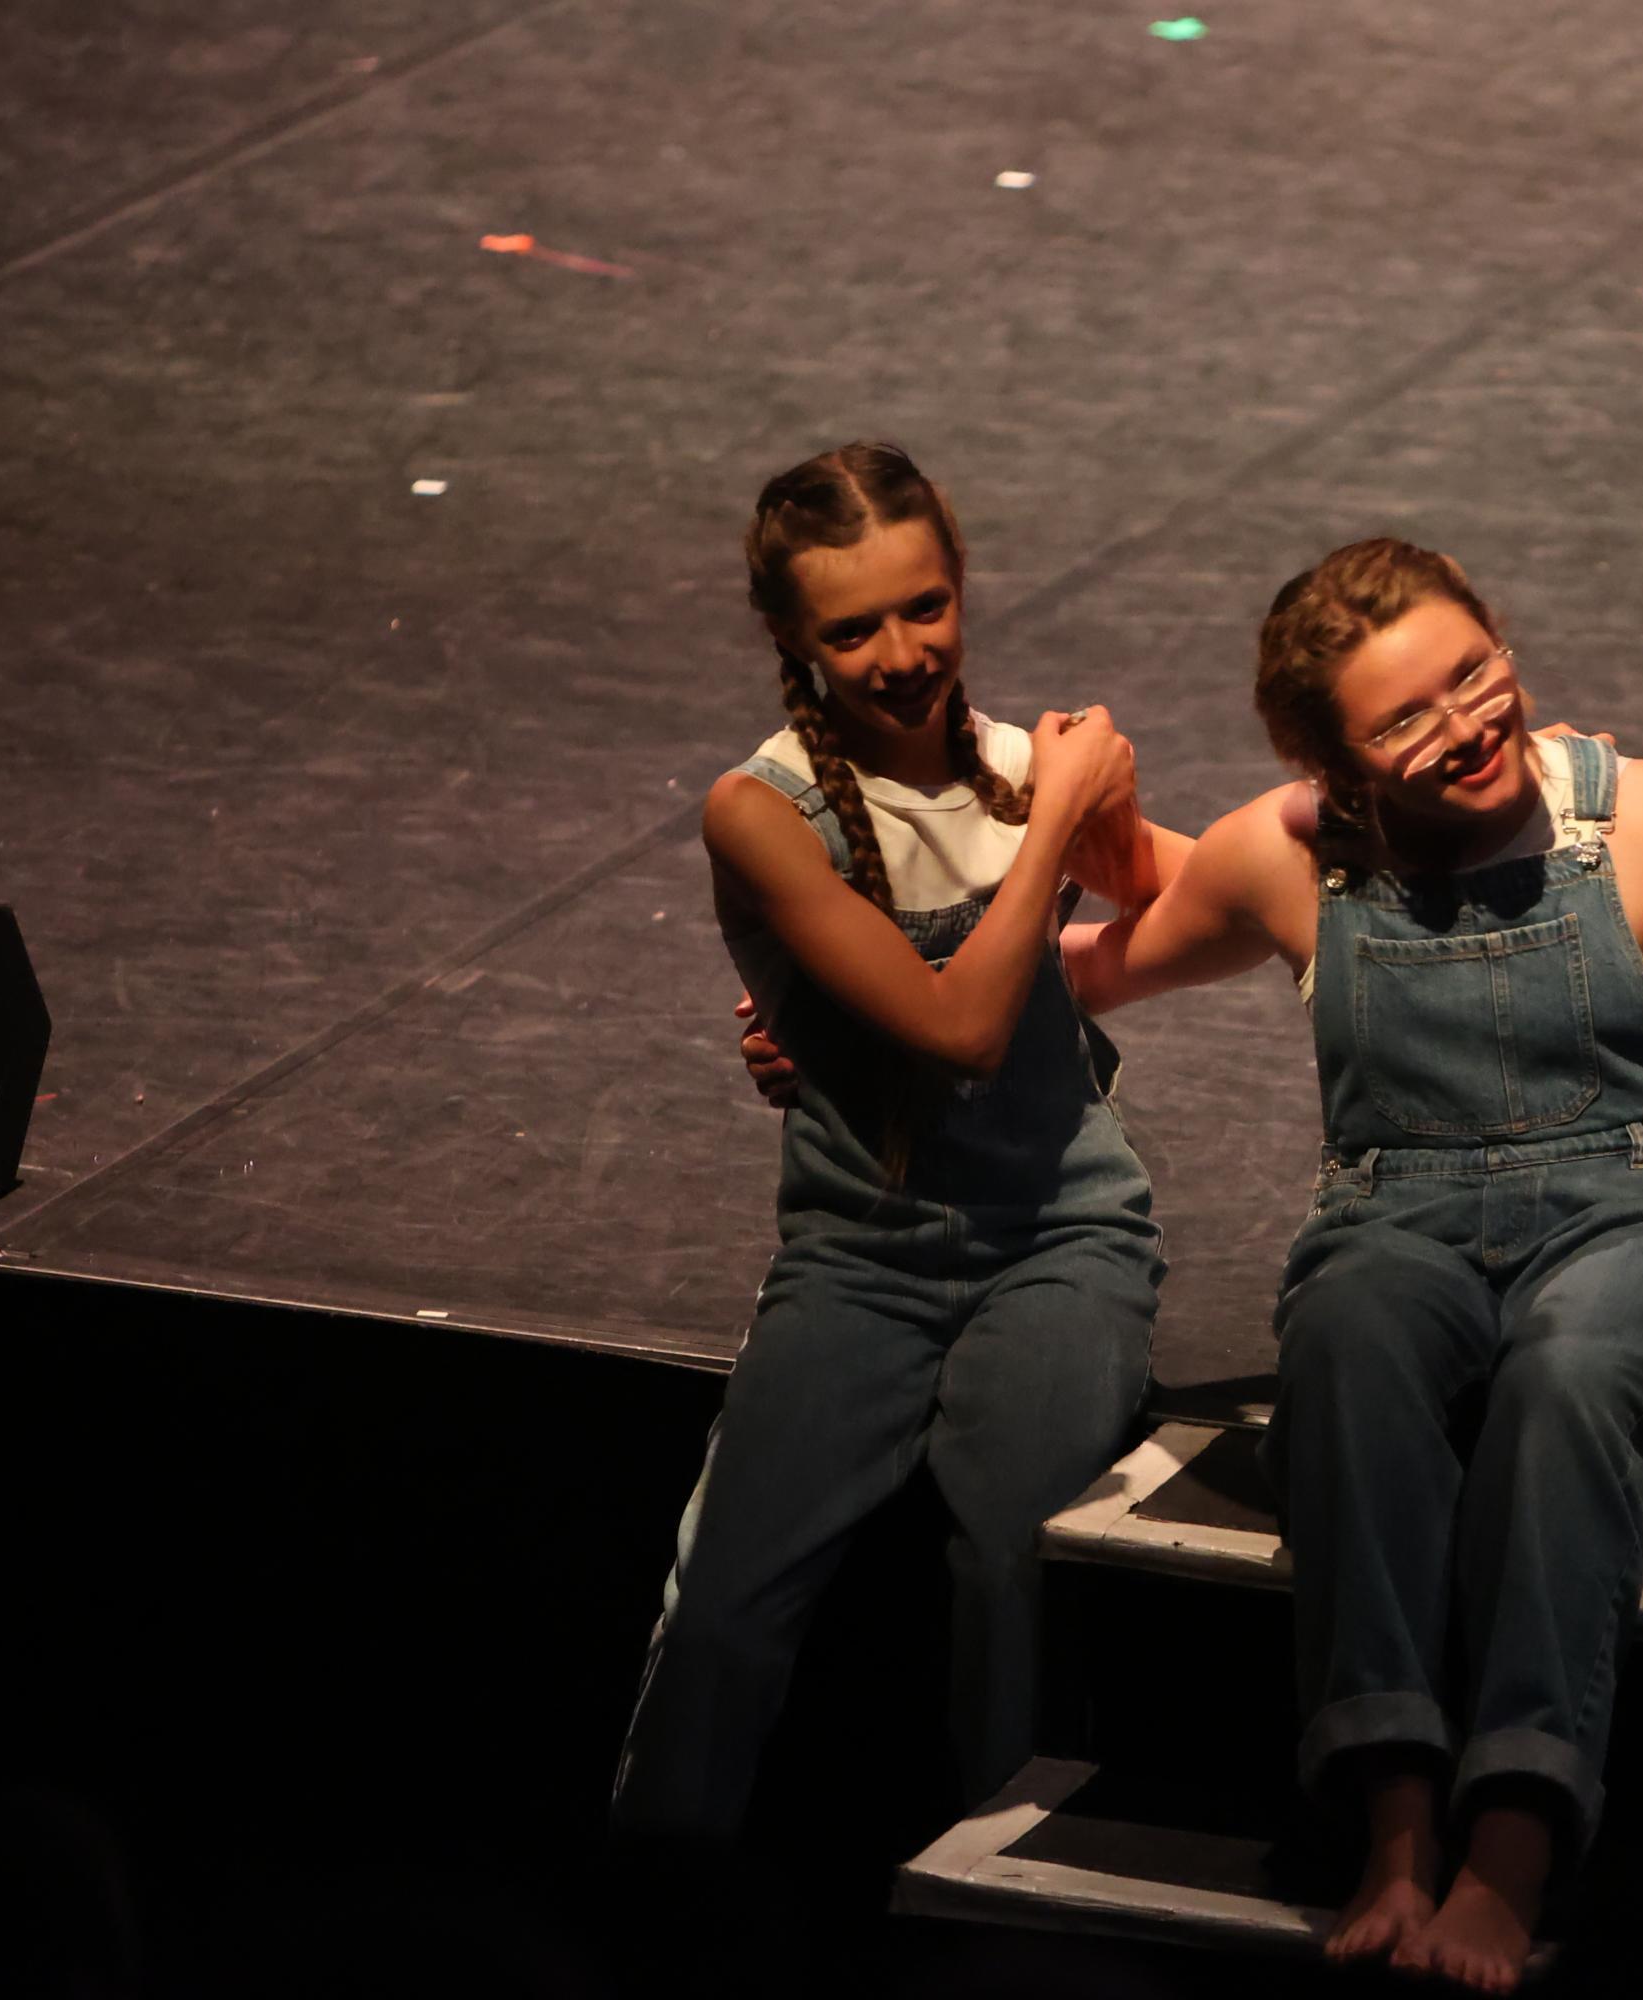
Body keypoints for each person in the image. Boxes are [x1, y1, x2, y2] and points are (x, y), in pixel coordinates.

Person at [1043, 536, 1643, 1993]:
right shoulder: (1284, 854)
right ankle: (1394, 1827)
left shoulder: (1633, 817)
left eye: (1473, 674)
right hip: (1403, 1217)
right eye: (1404, 720)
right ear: (1334, 762)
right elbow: (1090, 967)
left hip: (1638, 1212)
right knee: (1346, 1344)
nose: (1465, 725)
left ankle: (1512, 1843)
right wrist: (847, 1008)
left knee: (1566, 1381)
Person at [612, 441, 1183, 1843]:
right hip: (861, 1251)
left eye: (925, 607)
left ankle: (998, 1902)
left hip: (1060, 1237)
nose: (903, 654)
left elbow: (1184, 898)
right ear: (789, 638)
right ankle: (655, 1900)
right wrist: (1055, 825)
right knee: (725, 1601)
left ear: (961, 581)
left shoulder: (1021, 771)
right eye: (852, 629)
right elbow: (958, 1029)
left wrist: (1114, 815)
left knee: (1016, 1562)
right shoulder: (763, 814)